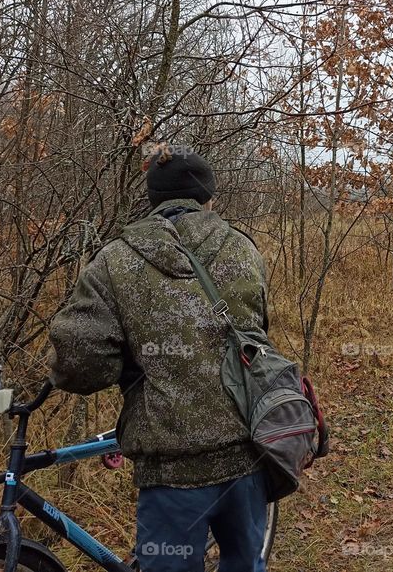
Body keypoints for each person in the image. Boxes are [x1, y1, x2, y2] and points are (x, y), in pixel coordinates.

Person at [48, 148, 269, 572]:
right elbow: (257, 338)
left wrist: (128, 368)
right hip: (249, 456)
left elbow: (79, 363)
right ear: (208, 199)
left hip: (171, 472)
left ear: (152, 198)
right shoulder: (245, 249)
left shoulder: (114, 260)